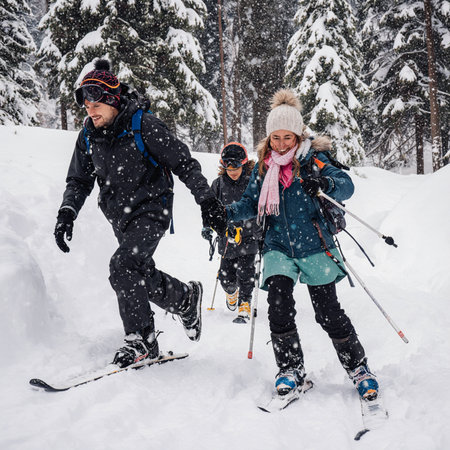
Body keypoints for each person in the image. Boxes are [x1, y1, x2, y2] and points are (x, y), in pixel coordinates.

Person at [204, 89, 379, 400]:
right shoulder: (263, 167)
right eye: (276, 138)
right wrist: (223, 214)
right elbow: (249, 203)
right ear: (269, 137)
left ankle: (358, 367)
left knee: (328, 311)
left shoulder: (315, 160)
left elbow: (346, 185)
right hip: (278, 247)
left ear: (298, 134)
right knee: (279, 306)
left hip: (314, 245)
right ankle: (290, 368)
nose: (281, 144)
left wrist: (324, 183)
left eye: (288, 137)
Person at [54, 59, 225, 368]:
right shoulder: (89, 135)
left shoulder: (143, 125)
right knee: (138, 272)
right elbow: (79, 180)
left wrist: (207, 200)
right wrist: (68, 211)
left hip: (152, 209)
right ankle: (185, 299)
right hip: (119, 215)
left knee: (122, 265)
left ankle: (141, 340)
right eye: (85, 103)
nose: (90, 110)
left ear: (112, 99)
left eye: (96, 102)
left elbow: (184, 163)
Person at [201, 142, 260, 323]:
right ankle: (231, 292)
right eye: (228, 165)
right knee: (226, 276)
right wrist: (207, 226)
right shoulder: (218, 184)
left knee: (246, 271)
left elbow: (259, 205)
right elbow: (208, 208)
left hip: (249, 234)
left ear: (244, 163)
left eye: (236, 165)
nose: (232, 170)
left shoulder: (252, 182)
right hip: (227, 236)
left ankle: (245, 303)